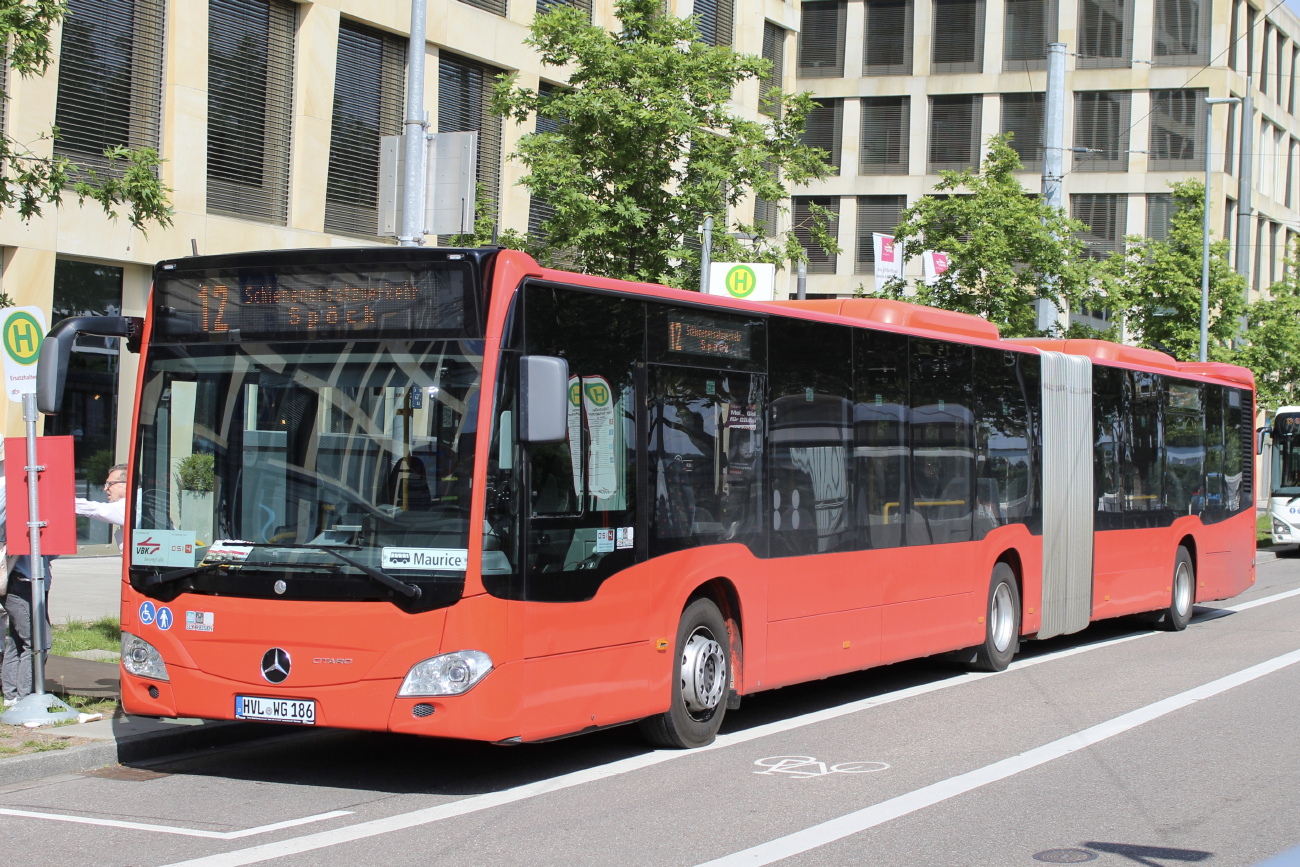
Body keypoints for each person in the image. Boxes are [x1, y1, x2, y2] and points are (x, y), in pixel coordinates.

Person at [0, 444, 57, 707]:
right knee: (38, 641)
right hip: (21, 580)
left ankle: (13, 695)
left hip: (31, 580)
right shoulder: (12, 495)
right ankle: (25, 698)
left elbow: (52, 551)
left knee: (18, 639)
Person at [76, 464, 127, 550]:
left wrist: (64, 502)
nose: (105, 489)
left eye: (110, 484)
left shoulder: (134, 504)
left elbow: (96, 509)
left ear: (127, 484)